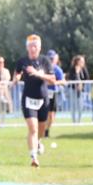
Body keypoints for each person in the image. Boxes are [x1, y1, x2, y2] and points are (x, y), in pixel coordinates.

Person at [14, 34, 55, 167]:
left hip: (43, 99)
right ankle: (33, 157)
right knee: (33, 128)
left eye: (35, 46)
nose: (33, 48)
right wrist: (16, 78)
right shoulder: (22, 61)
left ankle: (38, 142)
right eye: (31, 46)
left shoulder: (45, 61)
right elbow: (17, 72)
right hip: (28, 99)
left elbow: (53, 79)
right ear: (27, 47)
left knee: (41, 130)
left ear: (39, 47)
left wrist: (38, 73)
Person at [44, 49, 65, 138]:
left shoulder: (57, 69)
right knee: (43, 114)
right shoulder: (43, 68)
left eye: (52, 58)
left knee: (52, 116)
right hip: (43, 93)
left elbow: (63, 81)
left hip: (53, 93)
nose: (51, 60)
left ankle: (46, 130)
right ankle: (41, 131)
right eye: (50, 58)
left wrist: (55, 82)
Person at [68, 55, 90, 123]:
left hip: (81, 90)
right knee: (73, 106)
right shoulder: (72, 69)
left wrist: (81, 85)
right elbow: (72, 78)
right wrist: (77, 73)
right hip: (73, 89)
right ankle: (74, 121)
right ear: (77, 62)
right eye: (82, 61)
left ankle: (79, 120)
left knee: (81, 106)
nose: (83, 62)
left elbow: (87, 77)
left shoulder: (84, 69)